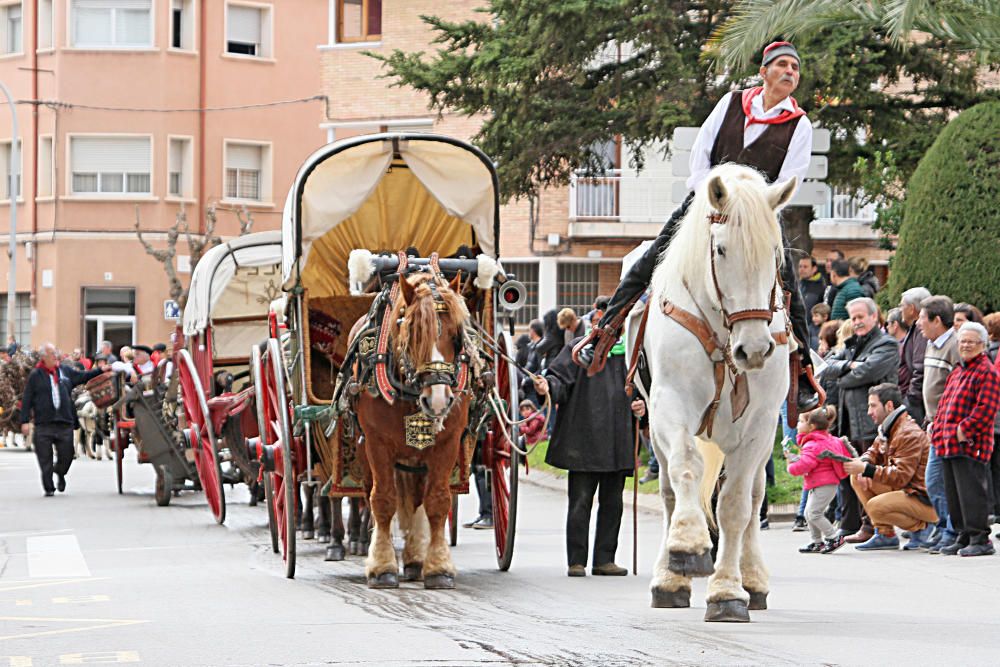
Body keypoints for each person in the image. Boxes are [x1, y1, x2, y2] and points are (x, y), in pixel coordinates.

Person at [574, 40, 820, 411]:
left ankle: (803, 372)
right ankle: (603, 333)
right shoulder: (731, 103)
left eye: (795, 68)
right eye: (782, 65)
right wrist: (707, 196)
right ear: (764, 71)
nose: (790, 72)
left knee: (789, 285)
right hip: (709, 200)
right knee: (649, 261)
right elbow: (702, 153)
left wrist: (753, 205)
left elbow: (790, 176)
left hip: (758, 213)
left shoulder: (799, 124)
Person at [533, 318, 643, 577]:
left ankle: (605, 559)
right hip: (583, 440)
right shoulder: (578, 350)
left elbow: (646, 389)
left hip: (618, 440)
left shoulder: (632, 354)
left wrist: (642, 406)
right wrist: (547, 386)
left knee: (613, 502)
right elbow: (557, 380)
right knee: (580, 501)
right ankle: (577, 560)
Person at [821, 298, 900, 541]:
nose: (856, 323)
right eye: (853, 318)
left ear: (874, 317)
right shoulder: (851, 344)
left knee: (872, 477)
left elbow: (867, 373)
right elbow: (825, 366)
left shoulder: (885, 344)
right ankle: (854, 523)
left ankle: (879, 528)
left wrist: (842, 375)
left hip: (872, 420)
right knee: (852, 476)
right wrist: (850, 365)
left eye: (860, 317)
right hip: (848, 420)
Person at [928, 322, 1000, 556]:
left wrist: (963, 431)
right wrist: (937, 428)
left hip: (970, 444)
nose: (966, 345)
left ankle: (980, 538)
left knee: (971, 493)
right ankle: (963, 535)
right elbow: (944, 403)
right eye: (962, 341)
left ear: (982, 345)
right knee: (954, 493)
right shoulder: (958, 370)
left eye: (971, 342)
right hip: (947, 442)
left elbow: (986, 409)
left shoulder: (986, 371)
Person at [841, 384, 938, 551]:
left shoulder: (907, 432)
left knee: (875, 506)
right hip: (908, 490)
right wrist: (863, 463)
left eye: (873, 406)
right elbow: (873, 452)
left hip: (923, 499)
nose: (869, 412)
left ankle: (924, 527)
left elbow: (900, 476)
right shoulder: (889, 426)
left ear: (889, 406)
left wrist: (866, 469)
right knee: (856, 477)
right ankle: (885, 534)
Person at [20, 343, 104, 496]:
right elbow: (27, 399)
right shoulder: (36, 375)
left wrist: (100, 370)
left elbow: (82, 377)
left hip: (64, 421)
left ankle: (60, 472)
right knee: (44, 458)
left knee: (67, 455)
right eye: (52, 354)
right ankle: (49, 488)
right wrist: (24, 420)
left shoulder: (64, 371)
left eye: (56, 353)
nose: (55, 356)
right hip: (43, 423)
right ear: (44, 357)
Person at [917, 295, 962, 553]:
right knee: (935, 480)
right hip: (934, 422)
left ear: (936, 320)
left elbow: (957, 387)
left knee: (938, 480)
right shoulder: (932, 343)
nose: (920, 323)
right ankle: (944, 525)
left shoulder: (954, 346)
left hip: (948, 424)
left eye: (924, 318)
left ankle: (950, 529)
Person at [785, 405, 851, 554]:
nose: (797, 424)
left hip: (824, 484)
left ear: (812, 426)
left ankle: (833, 537)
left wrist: (790, 464)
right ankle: (816, 541)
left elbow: (804, 465)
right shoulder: (819, 441)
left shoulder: (813, 445)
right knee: (809, 513)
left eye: (801, 421)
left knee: (814, 513)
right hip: (821, 483)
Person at [898, 287, 930, 425]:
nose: (900, 309)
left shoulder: (921, 332)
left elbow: (920, 367)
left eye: (902, 305)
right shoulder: (915, 329)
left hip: (916, 402)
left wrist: (910, 398)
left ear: (911, 308)